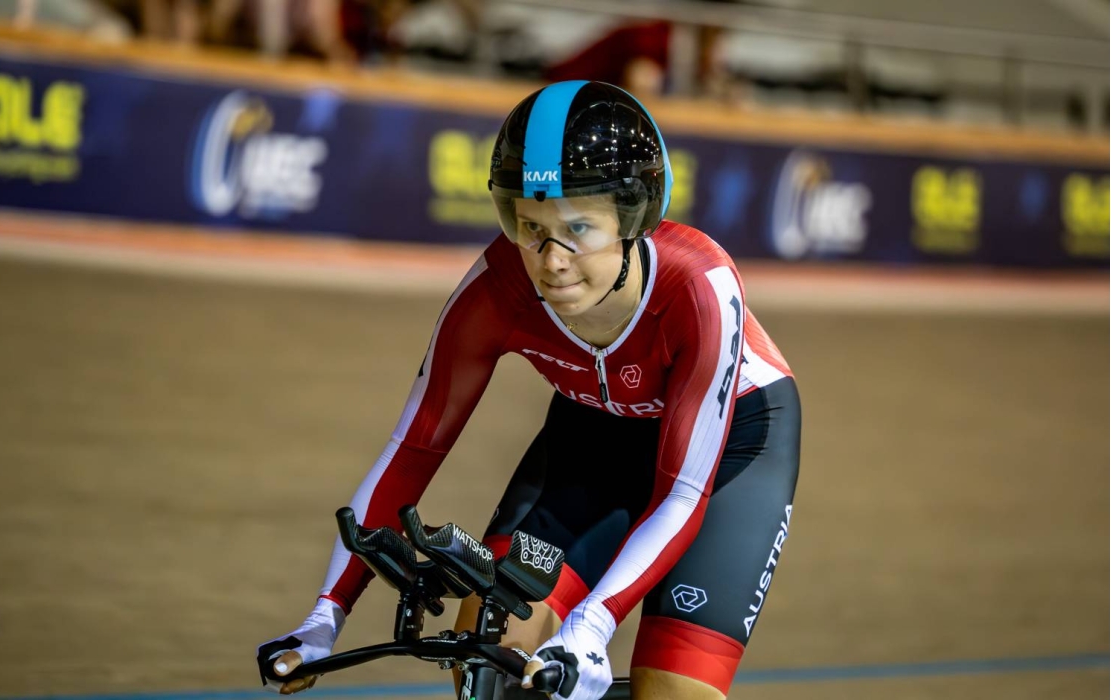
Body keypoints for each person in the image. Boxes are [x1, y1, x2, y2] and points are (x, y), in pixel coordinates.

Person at [259, 80, 801, 700]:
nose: (551, 259)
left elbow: (681, 492)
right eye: (530, 226)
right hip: (592, 437)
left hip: (731, 448)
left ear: (634, 216)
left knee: (672, 691)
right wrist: (324, 618)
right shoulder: (497, 287)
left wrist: (591, 626)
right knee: (489, 651)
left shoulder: (699, 287)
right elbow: (412, 450)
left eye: (579, 228)